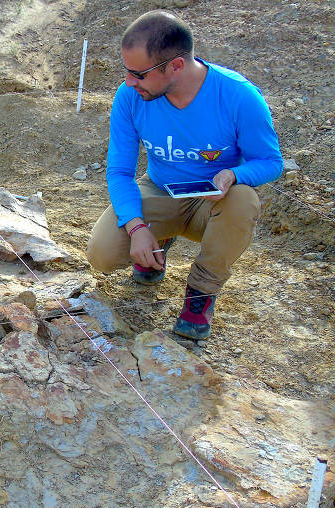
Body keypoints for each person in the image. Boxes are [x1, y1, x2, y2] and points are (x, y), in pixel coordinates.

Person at [85, 10, 283, 341]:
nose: (129, 83)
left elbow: (269, 161)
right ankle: (156, 239)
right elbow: (120, 171)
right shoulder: (130, 97)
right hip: (160, 191)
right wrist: (136, 227)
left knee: (244, 200)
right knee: (101, 254)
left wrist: (233, 175)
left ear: (175, 66)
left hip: (212, 202)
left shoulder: (238, 96)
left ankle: (200, 295)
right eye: (127, 72)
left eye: (139, 74)